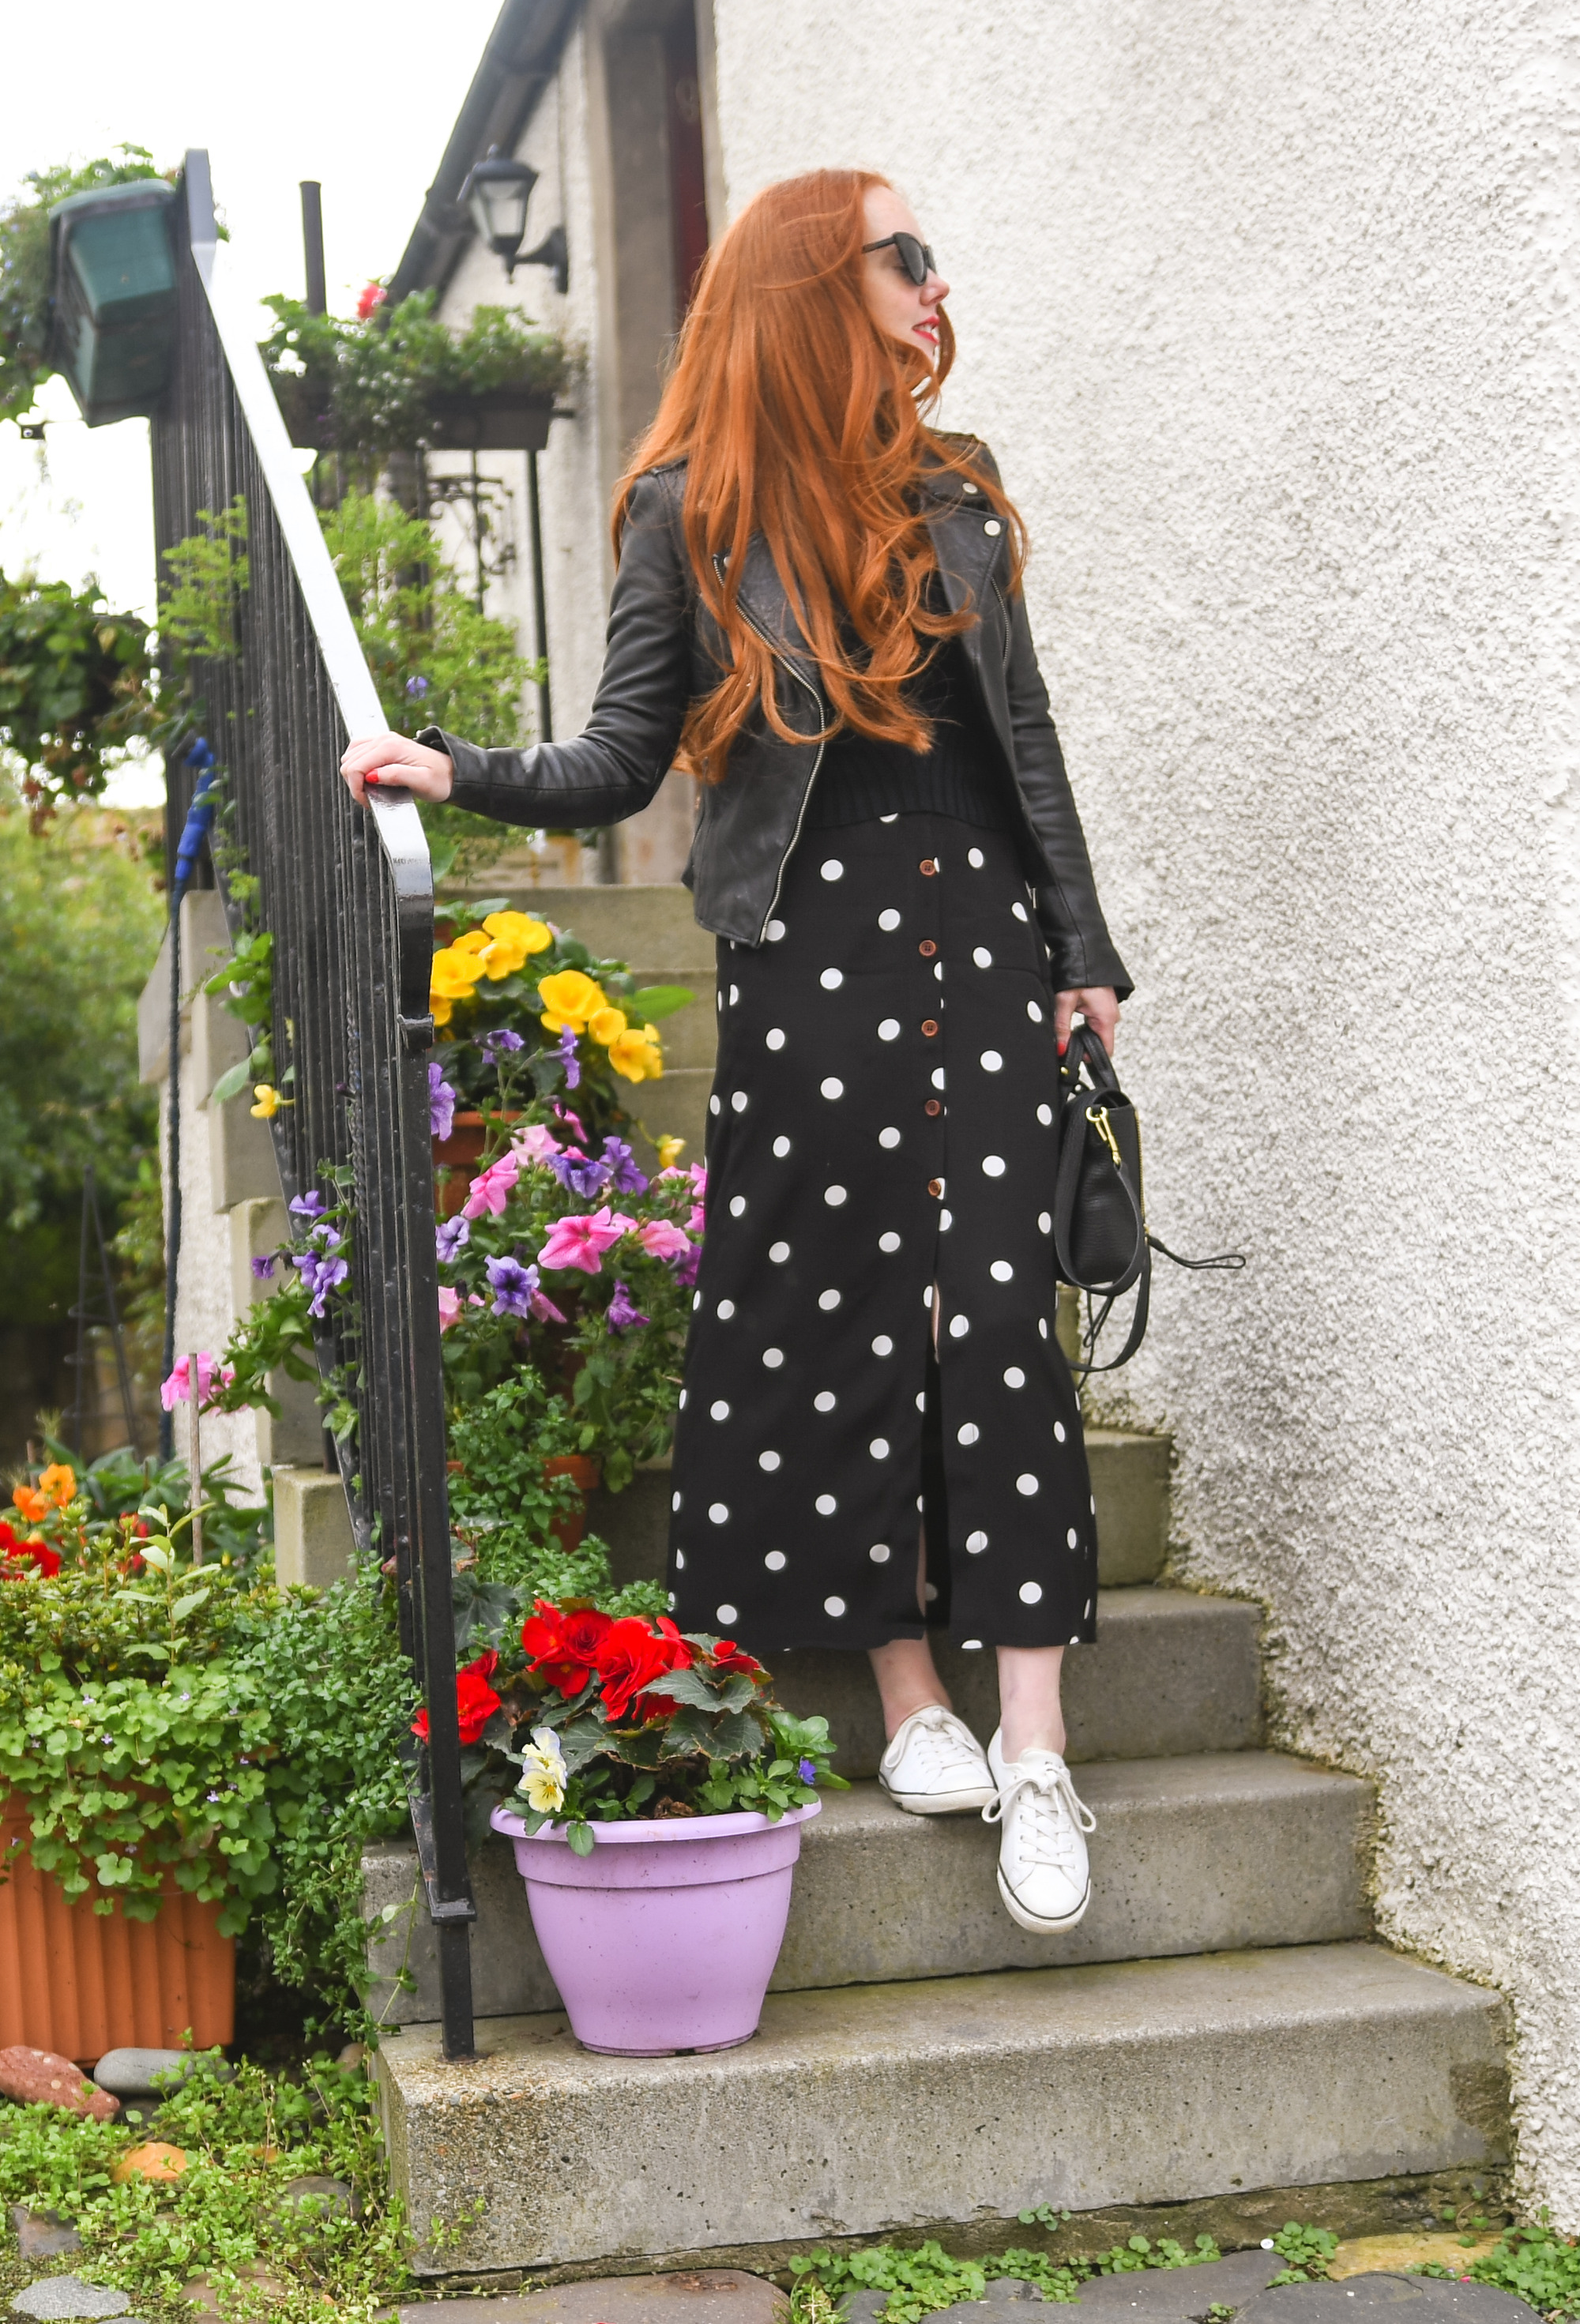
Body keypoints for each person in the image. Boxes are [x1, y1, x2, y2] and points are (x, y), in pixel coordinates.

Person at [340, 168, 1130, 1937]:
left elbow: (1029, 739)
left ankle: (1033, 1744)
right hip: (814, 955)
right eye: (903, 257)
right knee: (844, 1305)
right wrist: (455, 770)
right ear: (809, 285)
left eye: (932, 256)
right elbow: (627, 757)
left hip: (982, 947)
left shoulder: (957, 496)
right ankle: (906, 1692)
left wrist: (1083, 951)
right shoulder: (691, 510)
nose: (935, 284)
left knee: (996, 1316)